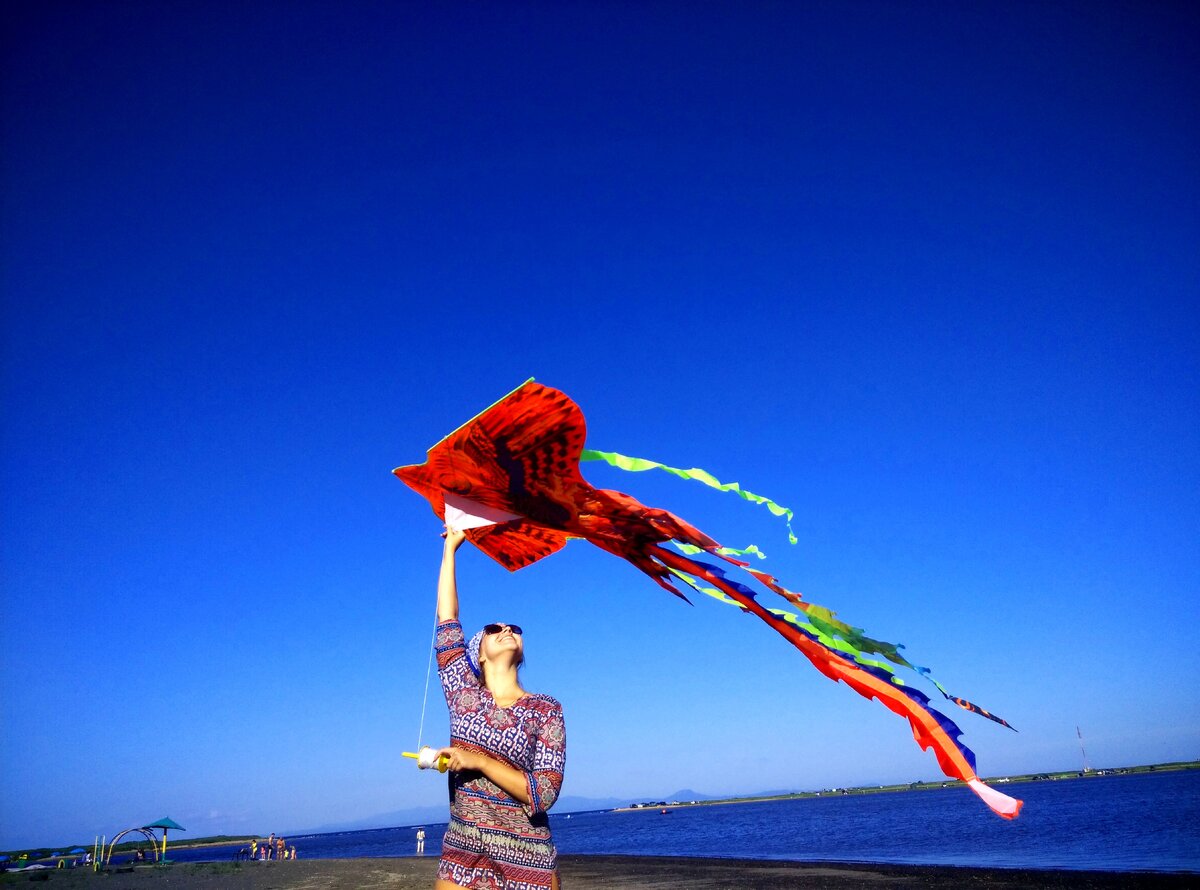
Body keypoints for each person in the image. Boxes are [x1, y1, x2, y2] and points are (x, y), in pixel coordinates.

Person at [431, 527, 566, 890]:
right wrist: (451, 551)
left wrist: (478, 761)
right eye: (494, 628)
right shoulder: (463, 693)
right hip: (464, 847)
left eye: (514, 628)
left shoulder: (545, 709)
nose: (507, 629)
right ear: (478, 652)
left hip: (528, 856)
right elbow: (447, 622)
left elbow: (545, 793)